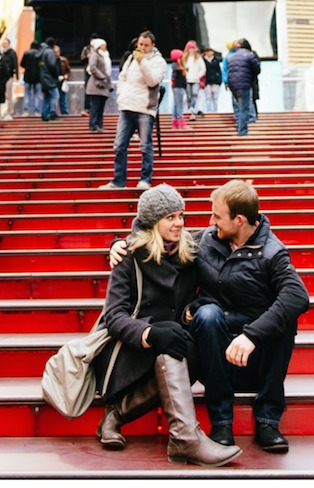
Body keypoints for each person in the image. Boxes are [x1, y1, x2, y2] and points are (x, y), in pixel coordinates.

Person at [111, 179, 310, 454]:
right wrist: (119, 244)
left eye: (216, 216)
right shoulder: (207, 239)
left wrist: (252, 335)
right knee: (207, 314)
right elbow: (154, 235)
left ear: (239, 220)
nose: (210, 221)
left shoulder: (272, 253)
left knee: (284, 320)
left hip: (255, 350)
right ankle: (222, 423)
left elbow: (297, 296)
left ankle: (267, 420)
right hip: (213, 344)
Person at [96, 184, 240, 466]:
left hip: (173, 342)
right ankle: (182, 438)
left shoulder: (190, 248)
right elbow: (113, 316)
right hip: (131, 348)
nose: (179, 223)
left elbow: (231, 229)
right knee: (171, 345)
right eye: (170, 217)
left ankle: (121, 416)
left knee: (182, 346)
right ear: (153, 222)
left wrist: (190, 311)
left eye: (181, 215)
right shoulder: (130, 254)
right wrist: (150, 333)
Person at [100, 31, 167, 191]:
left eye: (146, 45)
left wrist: (142, 62)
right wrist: (121, 95)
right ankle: (118, 181)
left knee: (145, 146)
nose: (142, 48)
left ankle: (145, 180)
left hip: (145, 108)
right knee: (119, 145)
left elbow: (152, 81)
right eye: (140, 44)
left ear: (153, 46)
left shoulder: (158, 61)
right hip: (127, 106)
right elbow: (122, 77)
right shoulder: (131, 58)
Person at [225, 39, 260, 136]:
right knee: (244, 107)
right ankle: (242, 131)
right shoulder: (249, 55)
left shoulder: (232, 56)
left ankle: (239, 123)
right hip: (244, 84)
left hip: (233, 84)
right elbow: (257, 69)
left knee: (238, 105)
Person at [86, 38, 113, 132]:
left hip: (103, 85)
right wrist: (102, 76)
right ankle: (93, 125)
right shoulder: (95, 55)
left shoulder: (105, 56)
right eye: (103, 45)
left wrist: (109, 84)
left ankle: (99, 125)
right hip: (96, 85)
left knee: (100, 107)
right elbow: (92, 67)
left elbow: (108, 72)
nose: (105, 47)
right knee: (95, 106)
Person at [181, 41, 206, 121]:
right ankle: (190, 110)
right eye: (190, 48)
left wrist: (198, 76)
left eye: (192, 48)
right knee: (188, 95)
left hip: (196, 80)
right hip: (187, 80)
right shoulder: (184, 58)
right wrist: (185, 75)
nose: (191, 50)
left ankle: (192, 107)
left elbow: (203, 68)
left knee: (195, 94)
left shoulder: (198, 58)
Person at [38, 37, 61, 122]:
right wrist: (56, 74)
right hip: (50, 79)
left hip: (43, 78)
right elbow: (52, 65)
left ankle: (44, 114)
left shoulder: (42, 52)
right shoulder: (50, 52)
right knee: (55, 95)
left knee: (46, 97)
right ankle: (52, 114)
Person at [20, 41, 43, 117]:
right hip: (37, 77)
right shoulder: (39, 54)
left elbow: (22, 64)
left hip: (27, 76)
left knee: (27, 94)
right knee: (37, 94)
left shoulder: (26, 53)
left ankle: (26, 111)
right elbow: (42, 64)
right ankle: (37, 111)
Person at [0, 37, 18, 121]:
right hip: (1, 78)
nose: (4, 44)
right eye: (3, 43)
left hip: (9, 76)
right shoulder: (2, 53)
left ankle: (10, 112)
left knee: (8, 94)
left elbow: (15, 63)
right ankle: (2, 113)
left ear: (9, 44)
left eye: (5, 43)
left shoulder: (12, 52)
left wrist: (16, 75)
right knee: (2, 95)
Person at [169, 49, 188, 129]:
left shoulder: (177, 65)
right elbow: (179, 73)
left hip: (178, 86)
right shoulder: (176, 65)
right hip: (178, 86)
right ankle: (180, 122)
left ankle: (175, 122)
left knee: (176, 104)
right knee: (179, 104)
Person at [202, 46, 222, 114]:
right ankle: (209, 110)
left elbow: (219, 70)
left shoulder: (216, 60)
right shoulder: (203, 60)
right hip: (207, 81)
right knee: (208, 97)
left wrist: (219, 80)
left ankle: (215, 110)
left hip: (215, 80)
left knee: (215, 97)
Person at [54, 44, 72, 116]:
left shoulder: (63, 60)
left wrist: (66, 76)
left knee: (63, 99)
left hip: (62, 81)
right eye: (55, 52)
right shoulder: (51, 60)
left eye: (57, 52)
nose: (56, 54)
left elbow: (68, 70)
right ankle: (53, 113)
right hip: (54, 82)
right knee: (54, 98)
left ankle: (64, 113)